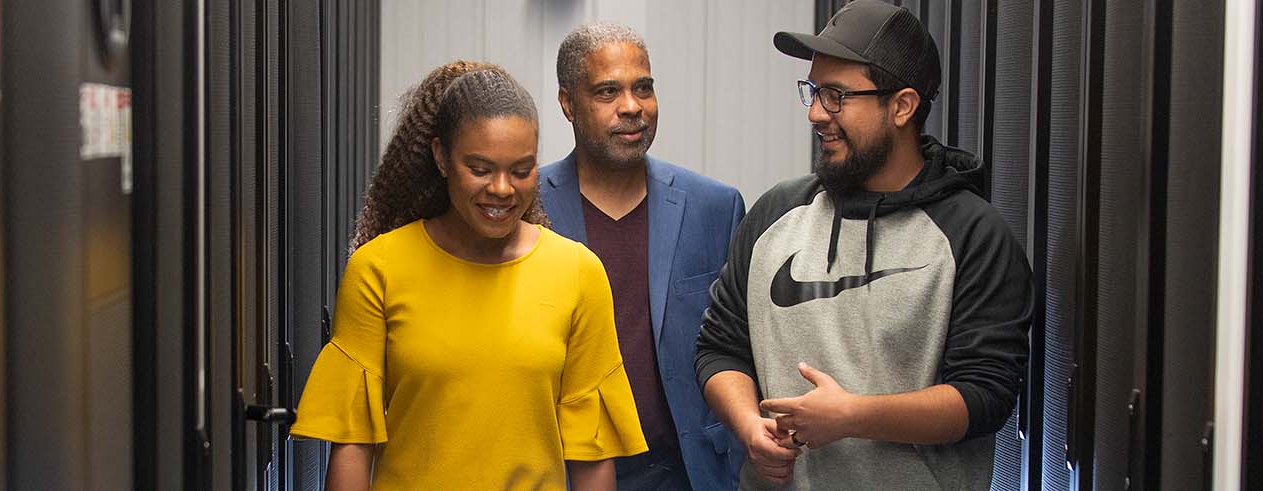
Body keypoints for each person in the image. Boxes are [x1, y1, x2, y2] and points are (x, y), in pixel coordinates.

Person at [693, 1, 1034, 489]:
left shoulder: (973, 235)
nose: (815, 113)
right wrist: (750, 426)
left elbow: (983, 397)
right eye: (812, 92)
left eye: (835, 96)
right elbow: (719, 348)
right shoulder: (776, 213)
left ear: (902, 106)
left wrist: (853, 416)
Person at [290, 60, 648, 491]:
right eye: (479, 169)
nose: (501, 189)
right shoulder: (378, 269)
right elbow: (352, 442)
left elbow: (591, 457)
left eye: (521, 170)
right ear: (441, 157)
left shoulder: (578, 274)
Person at [536, 22, 747, 491]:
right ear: (568, 104)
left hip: (689, 473)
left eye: (643, 88)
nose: (632, 107)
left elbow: (739, 348)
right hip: (565, 471)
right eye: (608, 92)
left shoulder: (715, 207)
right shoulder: (527, 210)